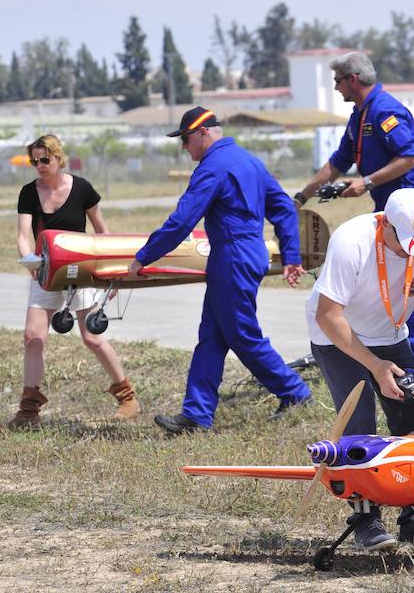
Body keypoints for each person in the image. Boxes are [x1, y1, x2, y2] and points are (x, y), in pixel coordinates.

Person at [128, 107, 311, 434]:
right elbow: (283, 207)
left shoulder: (213, 167)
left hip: (233, 256)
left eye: (185, 139)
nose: (184, 147)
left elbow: (183, 220)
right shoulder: (249, 161)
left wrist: (144, 256)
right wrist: (291, 254)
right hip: (246, 253)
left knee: (241, 334)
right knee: (212, 336)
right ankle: (197, 415)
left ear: (203, 133)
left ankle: (295, 392)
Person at [307, 188, 414, 551]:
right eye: (405, 242)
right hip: (338, 336)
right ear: (385, 223)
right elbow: (328, 315)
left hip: (389, 334)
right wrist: (375, 367)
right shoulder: (352, 240)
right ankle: (365, 519)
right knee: (359, 426)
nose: (412, 251)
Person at [294, 51, 414, 367]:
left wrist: (366, 182)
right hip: (385, 210)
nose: (336, 87)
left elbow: (410, 158)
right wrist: (301, 197)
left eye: (337, 81)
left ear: (352, 79)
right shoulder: (360, 115)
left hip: (408, 211)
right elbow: (337, 164)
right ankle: (389, 355)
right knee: (390, 282)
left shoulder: (385, 111)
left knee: (409, 283)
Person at [12, 134, 140, 428]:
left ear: (59, 158)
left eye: (45, 159)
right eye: (35, 160)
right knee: (33, 338)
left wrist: (112, 275)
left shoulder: (82, 189)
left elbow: (102, 233)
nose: (40, 165)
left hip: (80, 270)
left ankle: (127, 396)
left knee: (92, 337)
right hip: (44, 270)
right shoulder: (28, 193)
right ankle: (29, 409)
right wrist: (28, 261)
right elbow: (22, 235)